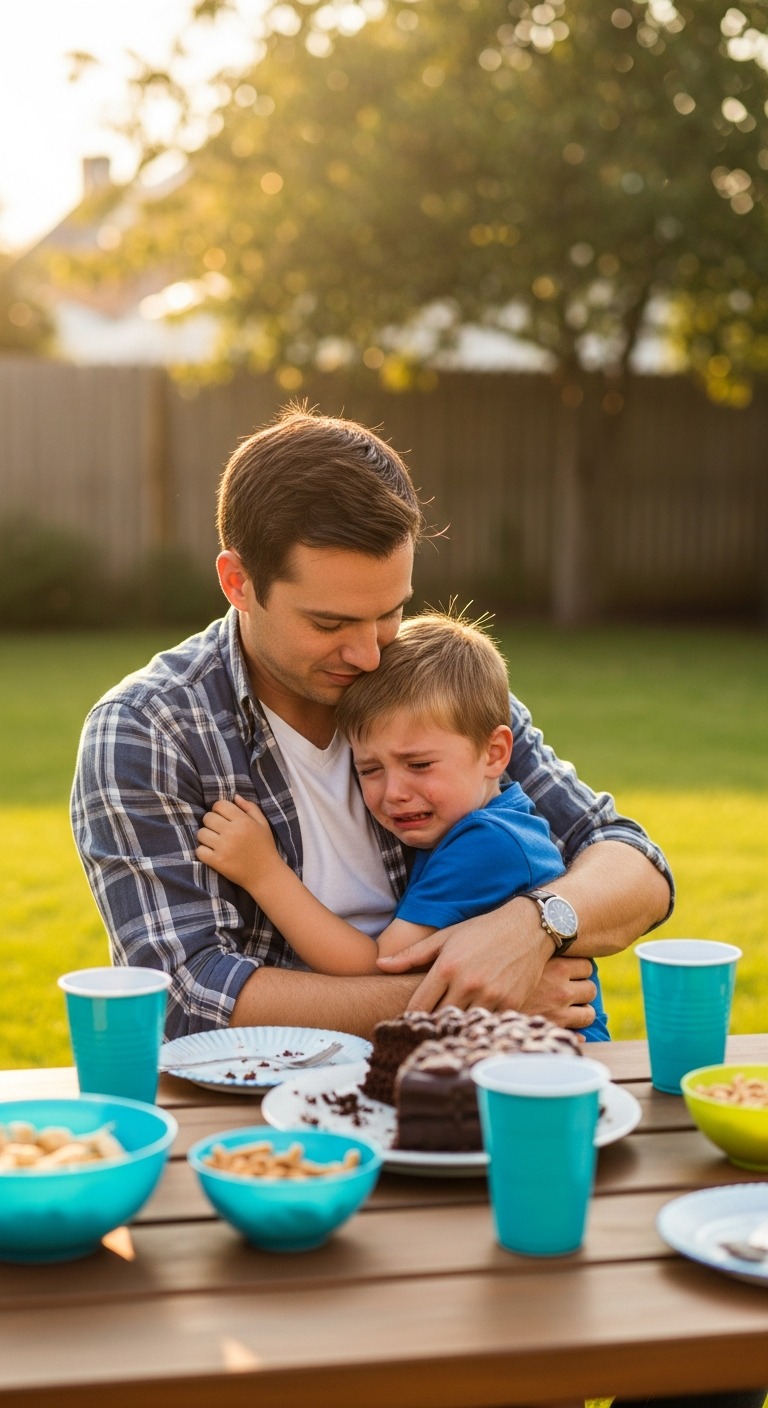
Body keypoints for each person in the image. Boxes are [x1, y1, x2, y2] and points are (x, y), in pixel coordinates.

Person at [71, 402, 673, 1044]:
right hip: (258, 1114)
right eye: (329, 624)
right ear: (238, 581)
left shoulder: (430, 686)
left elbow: (633, 864)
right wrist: (476, 998)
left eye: (389, 611)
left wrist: (535, 928)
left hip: (473, 1088)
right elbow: (184, 1000)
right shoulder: (148, 732)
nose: (368, 654)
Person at [195, 609, 609, 1039]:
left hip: (554, 1062)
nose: (394, 792)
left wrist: (264, 873)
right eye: (370, 769)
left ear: (495, 753)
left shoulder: (489, 846)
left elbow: (374, 966)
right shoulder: (492, 820)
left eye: (419, 764)